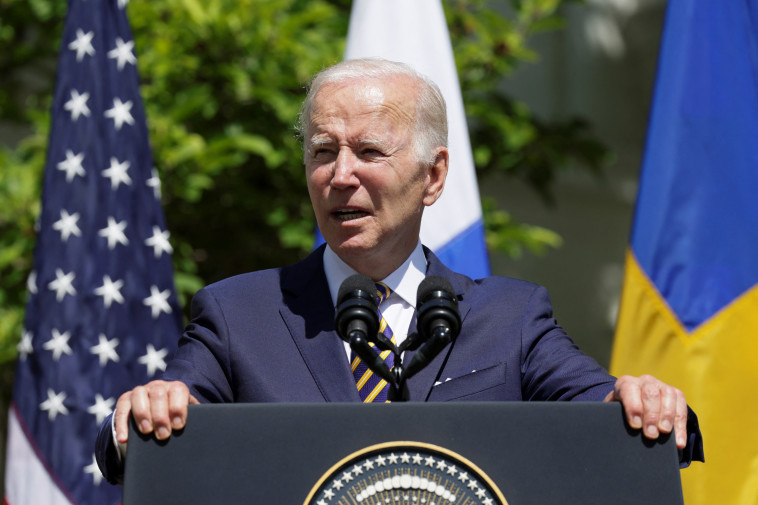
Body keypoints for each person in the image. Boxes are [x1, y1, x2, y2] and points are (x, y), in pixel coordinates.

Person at [95, 58, 703, 484]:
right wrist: (143, 413)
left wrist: (645, 402)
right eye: (323, 151)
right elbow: (136, 441)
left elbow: (607, 414)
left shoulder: (511, 319)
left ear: (433, 176)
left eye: (368, 151)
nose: (340, 175)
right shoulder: (237, 315)